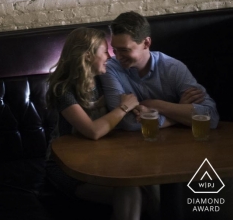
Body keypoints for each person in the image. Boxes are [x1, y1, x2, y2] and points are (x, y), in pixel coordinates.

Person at [45, 27, 156, 220]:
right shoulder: (63, 90)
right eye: (104, 51)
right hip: (67, 167)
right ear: (88, 56)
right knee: (130, 192)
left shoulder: (102, 78)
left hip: (101, 160)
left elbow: (126, 98)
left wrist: (136, 108)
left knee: (150, 192)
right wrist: (123, 109)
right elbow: (92, 131)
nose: (109, 56)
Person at [99, 11, 219, 131]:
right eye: (114, 50)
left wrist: (154, 104)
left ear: (146, 43)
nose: (118, 57)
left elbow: (211, 117)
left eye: (124, 50)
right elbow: (127, 122)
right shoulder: (110, 68)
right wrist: (178, 110)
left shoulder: (173, 68)